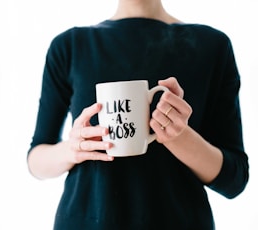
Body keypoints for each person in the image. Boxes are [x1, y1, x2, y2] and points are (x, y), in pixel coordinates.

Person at [27, 0, 249, 229]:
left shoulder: (212, 46)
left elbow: (234, 180)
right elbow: (36, 160)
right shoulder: (70, 46)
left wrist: (178, 136)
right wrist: (72, 149)